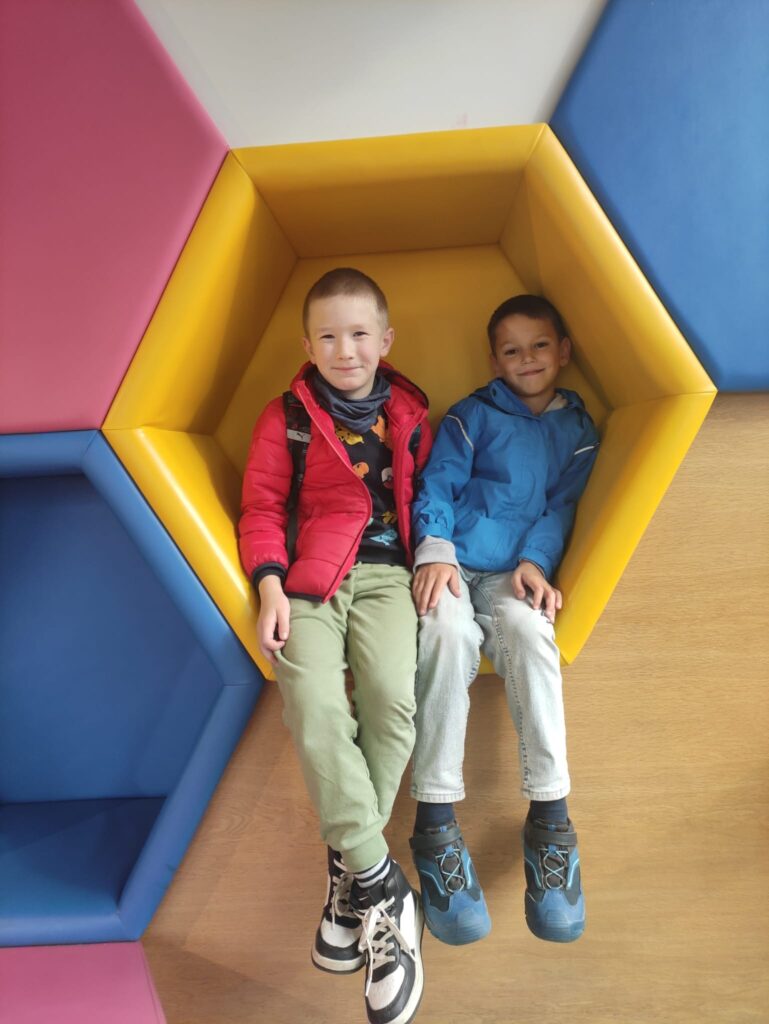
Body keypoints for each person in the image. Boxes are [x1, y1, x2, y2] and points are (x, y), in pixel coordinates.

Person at [239, 267, 431, 1024]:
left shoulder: (411, 414)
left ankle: (350, 869)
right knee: (315, 704)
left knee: (391, 702)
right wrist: (268, 585)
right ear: (307, 345)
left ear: (385, 340)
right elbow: (260, 504)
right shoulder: (285, 415)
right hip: (310, 581)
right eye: (328, 336)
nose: (344, 350)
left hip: (388, 578)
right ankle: (383, 884)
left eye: (358, 334)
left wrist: (442, 560)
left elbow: (431, 498)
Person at [408, 294, 599, 947]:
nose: (527, 359)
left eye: (539, 345)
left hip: (513, 572)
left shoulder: (578, 429)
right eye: (511, 350)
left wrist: (535, 562)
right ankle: (434, 825)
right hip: (453, 564)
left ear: (563, 351)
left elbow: (562, 507)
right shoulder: (471, 416)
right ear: (494, 360)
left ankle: (551, 821)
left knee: (529, 631)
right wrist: (434, 551)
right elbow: (437, 485)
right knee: (444, 634)